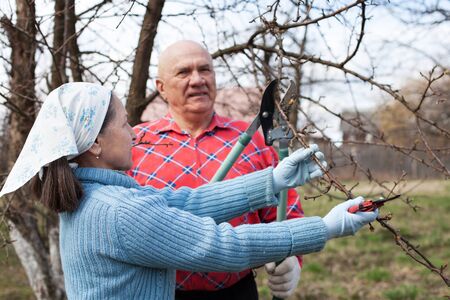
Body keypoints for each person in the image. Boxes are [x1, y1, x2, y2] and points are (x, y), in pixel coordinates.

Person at [0, 82, 378, 300]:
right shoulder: (119, 212)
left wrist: (273, 180)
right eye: (126, 124)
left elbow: (187, 202)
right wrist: (325, 228)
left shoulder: (95, 197)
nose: (133, 133)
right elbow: (224, 246)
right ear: (95, 143)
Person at [129, 40, 304, 299]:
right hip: (160, 291)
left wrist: (291, 256)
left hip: (237, 290)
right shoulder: (135, 143)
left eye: (205, 69)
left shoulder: (252, 138)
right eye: (184, 72)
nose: (198, 79)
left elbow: (286, 209)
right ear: (161, 87)